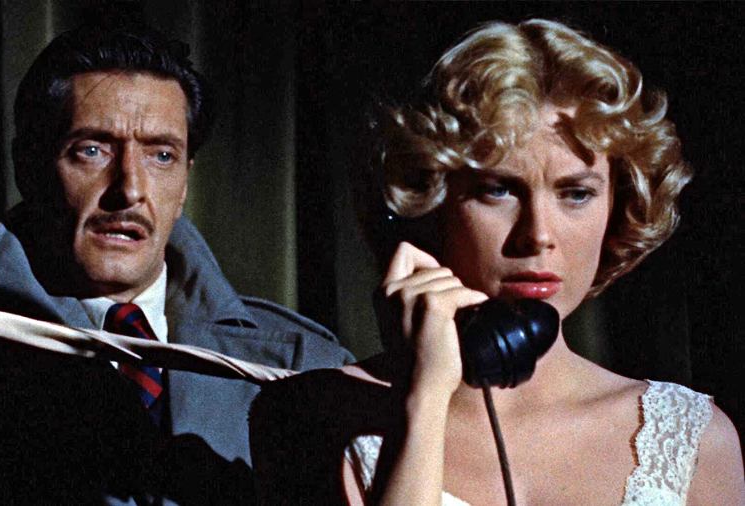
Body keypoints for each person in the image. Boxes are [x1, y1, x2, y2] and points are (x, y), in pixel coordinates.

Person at [0, 17, 352, 505]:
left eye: (161, 155)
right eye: (92, 150)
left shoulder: (306, 367)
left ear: (184, 184)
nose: (129, 190)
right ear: (28, 167)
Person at [250, 19, 744, 505]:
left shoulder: (695, 440)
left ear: (616, 206)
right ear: (430, 201)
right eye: (498, 189)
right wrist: (423, 401)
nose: (539, 235)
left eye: (575, 193)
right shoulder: (308, 415)